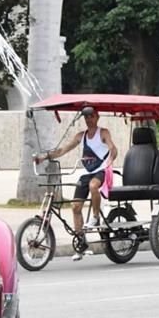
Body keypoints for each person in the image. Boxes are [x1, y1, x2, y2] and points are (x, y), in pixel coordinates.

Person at [34, 105, 118, 261]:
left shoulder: (103, 132)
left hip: (100, 170)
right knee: (75, 206)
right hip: (86, 173)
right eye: (86, 117)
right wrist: (43, 157)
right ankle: (80, 243)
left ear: (97, 117)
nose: (89, 120)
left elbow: (113, 148)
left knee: (94, 186)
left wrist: (111, 159)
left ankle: (95, 217)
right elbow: (62, 150)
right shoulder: (81, 136)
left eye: (91, 116)